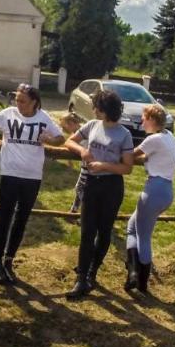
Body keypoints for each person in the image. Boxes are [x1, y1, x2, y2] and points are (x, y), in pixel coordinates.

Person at [0, 84, 65, 285]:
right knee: (4, 219)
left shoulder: (43, 117)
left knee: (21, 220)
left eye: (23, 101)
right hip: (9, 174)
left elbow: (60, 138)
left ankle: (9, 260)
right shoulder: (8, 114)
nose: (18, 104)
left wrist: (49, 140)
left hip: (32, 177)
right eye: (17, 100)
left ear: (34, 102)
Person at [63, 88, 134, 299]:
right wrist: (82, 151)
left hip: (112, 187)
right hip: (91, 184)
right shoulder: (92, 125)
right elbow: (69, 141)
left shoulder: (124, 134)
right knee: (87, 232)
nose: (93, 110)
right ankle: (81, 279)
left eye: (96, 107)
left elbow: (127, 167)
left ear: (105, 110)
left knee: (104, 232)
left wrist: (104, 165)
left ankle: (92, 271)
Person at [123, 104, 175, 293]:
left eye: (144, 119)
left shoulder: (153, 139)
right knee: (132, 227)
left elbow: (130, 155)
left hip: (153, 191)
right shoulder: (169, 135)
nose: (142, 122)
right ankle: (134, 273)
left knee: (143, 236)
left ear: (151, 120)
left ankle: (140, 281)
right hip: (167, 191)